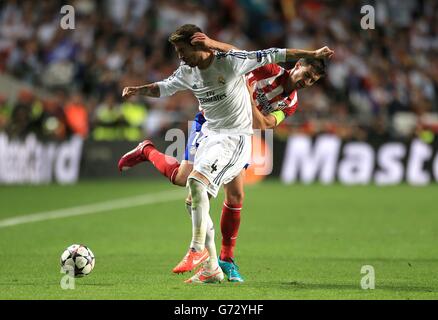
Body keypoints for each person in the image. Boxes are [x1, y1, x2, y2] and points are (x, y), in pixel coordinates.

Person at [119, 24, 334, 283]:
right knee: (182, 179)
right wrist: (213, 45)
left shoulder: (291, 103)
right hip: (209, 122)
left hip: (238, 132)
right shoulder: (268, 70)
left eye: (312, 80)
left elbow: (265, 124)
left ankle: (225, 260)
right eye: (306, 74)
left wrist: (247, 99)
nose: (307, 81)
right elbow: (238, 54)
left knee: (233, 194)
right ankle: (147, 151)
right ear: (297, 65)